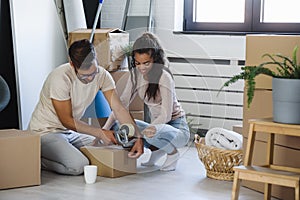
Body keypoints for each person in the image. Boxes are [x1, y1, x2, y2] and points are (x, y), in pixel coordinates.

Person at [28, 39, 143, 175]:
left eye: (93, 73)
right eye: (85, 75)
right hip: (45, 132)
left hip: (69, 133)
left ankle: (62, 154)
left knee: (107, 146)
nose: (90, 79)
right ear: (72, 64)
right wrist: (100, 132)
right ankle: (36, 159)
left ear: (96, 59)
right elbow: (67, 120)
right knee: (79, 165)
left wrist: (138, 136)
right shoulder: (60, 78)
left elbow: (118, 108)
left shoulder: (102, 75)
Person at [103, 32, 190, 171]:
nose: (141, 67)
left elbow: (166, 116)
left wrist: (141, 138)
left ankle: (172, 153)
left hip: (177, 128)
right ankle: (157, 150)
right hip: (157, 127)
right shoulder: (135, 76)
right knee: (121, 126)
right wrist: (104, 131)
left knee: (151, 132)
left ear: (155, 60)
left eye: (146, 63)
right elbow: (121, 106)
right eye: (138, 63)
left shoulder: (164, 76)